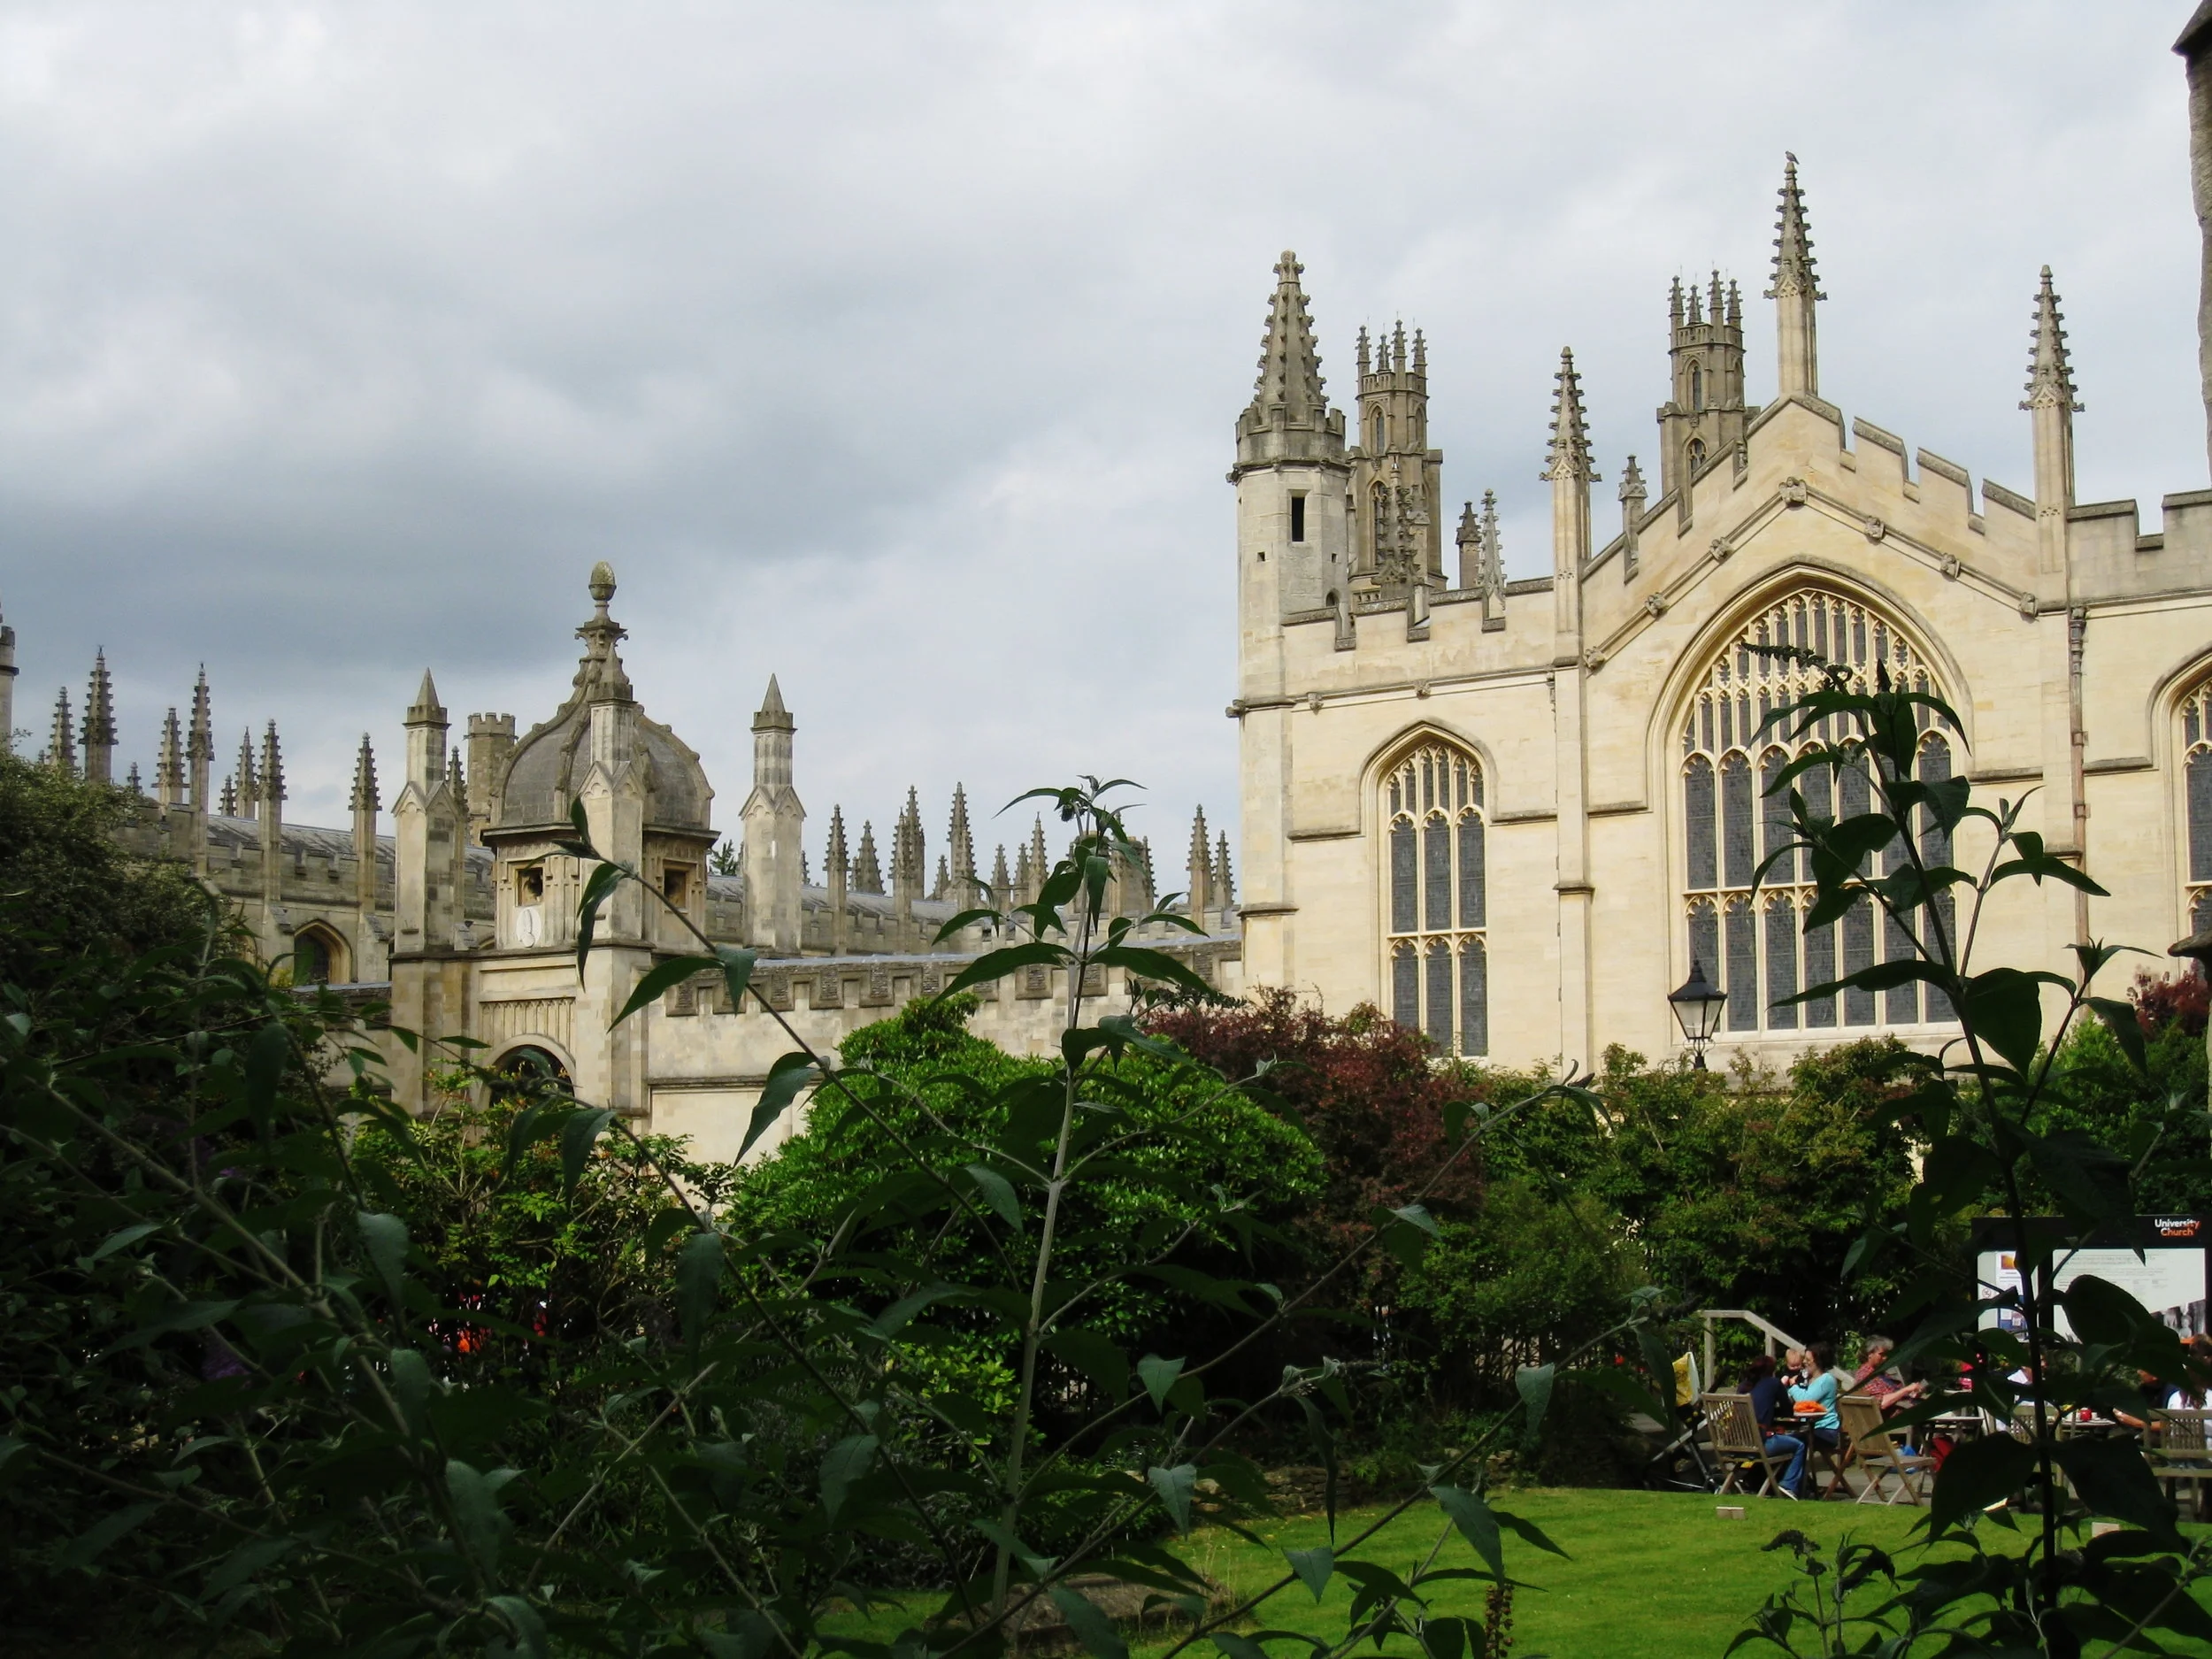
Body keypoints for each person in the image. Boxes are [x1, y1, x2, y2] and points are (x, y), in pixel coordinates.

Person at [1786, 1340, 1845, 1497]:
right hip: (1809, 1428)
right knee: (1788, 1440)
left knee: (1797, 1442)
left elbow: (1806, 1401)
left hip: (1826, 1431)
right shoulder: (1807, 1379)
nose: (1804, 1362)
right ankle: (1798, 1485)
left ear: (1818, 1361)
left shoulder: (1827, 1380)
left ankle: (1793, 1486)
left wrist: (1792, 1387)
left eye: (1808, 1360)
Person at [1741, 1354, 1805, 1498]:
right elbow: (1788, 1411)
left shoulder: (1744, 1385)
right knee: (1799, 1445)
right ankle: (1788, 1485)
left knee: (1780, 1440)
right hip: (1760, 1444)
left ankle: (1753, 1480)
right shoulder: (1774, 1383)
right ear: (1771, 1370)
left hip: (1738, 1443)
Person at [1852, 1336, 1926, 1414]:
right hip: (1898, 1418)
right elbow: (1882, 1403)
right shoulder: (1864, 1376)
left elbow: (1895, 1394)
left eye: (1886, 1354)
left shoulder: (1879, 1373)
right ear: (1869, 1354)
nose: (1885, 1358)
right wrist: (1906, 1389)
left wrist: (1913, 1393)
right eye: (1882, 1354)